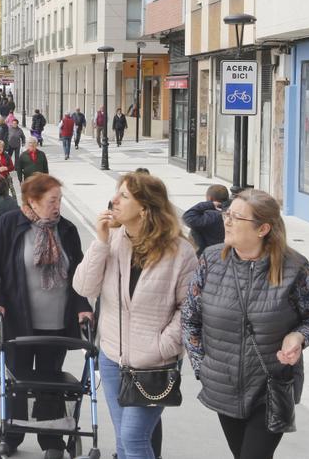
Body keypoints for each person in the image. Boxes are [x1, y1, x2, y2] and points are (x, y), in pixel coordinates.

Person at [182, 189, 309, 459]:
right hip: (223, 385)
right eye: (227, 215)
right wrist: (202, 367)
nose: (226, 222)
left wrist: (298, 337)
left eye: (236, 218)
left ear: (262, 228)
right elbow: (190, 319)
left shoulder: (294, 267)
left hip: (271, 387)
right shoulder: (210, 260)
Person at [72, 172, 199, 459]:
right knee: (122, 440)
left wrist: (163, 346)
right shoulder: (114, 240)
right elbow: (83, 286)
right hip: (112, 358)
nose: (113, 200)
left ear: (144, 208)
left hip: (153, 364)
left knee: (133, 437)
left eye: (124, 196)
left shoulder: (180, 252)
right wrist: (101, 242)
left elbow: (190, 308)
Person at [0, 174, 94, 458]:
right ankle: (12, 436)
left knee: (50, 383)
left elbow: (77, 276)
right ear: (32, 200)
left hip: (57, 322)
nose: (58, 206)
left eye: (60, 200)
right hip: (19, 321)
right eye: (52, 200)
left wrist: (82, 306)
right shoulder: (10, 224)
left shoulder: (66, 230)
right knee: (17, 381)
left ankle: (51, 440)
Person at [183, 185, 231, 255]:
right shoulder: (232, 211)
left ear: (210, 198)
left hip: (208, 254)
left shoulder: (211, 215)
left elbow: (187, 217)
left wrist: (208, 205)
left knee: (195, 226)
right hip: (227, 252)